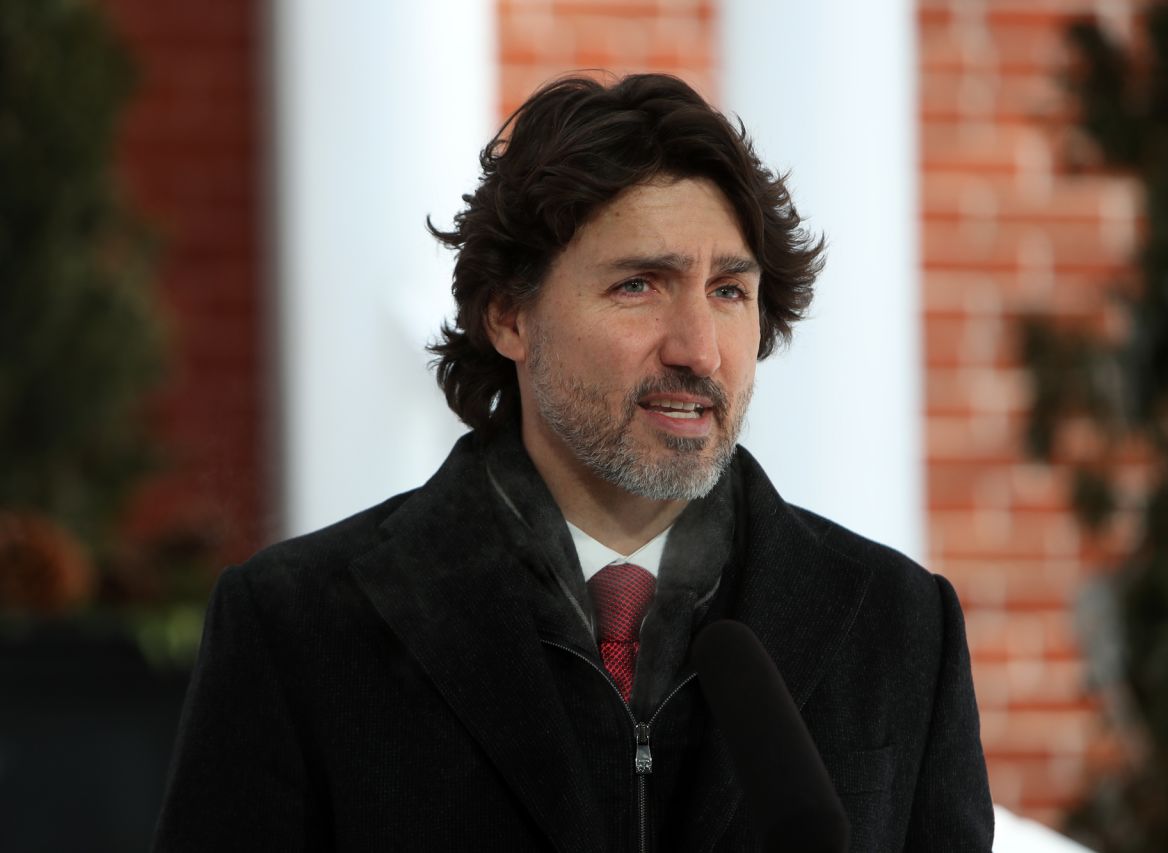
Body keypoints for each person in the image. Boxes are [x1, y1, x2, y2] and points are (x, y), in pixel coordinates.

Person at [153, 73, 994, 852]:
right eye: (640, 285)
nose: (697, 347)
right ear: (509, 317)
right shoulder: (297, 627)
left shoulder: (899, 627)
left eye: (729, 290)